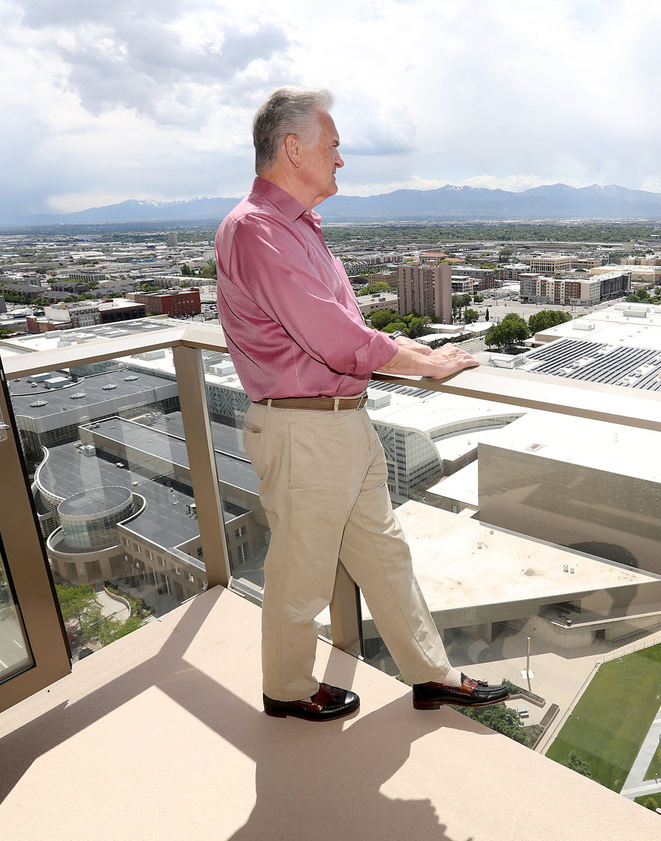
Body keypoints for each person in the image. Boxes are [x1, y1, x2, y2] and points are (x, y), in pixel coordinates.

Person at [215, 86, 510, 722]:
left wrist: (406, 353)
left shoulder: (296, 231)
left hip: (341, 425)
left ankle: (431, 674)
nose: (341, 159)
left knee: (384, 554)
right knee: (302, 576)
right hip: (305, 431)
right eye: (334, 146)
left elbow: (343, 329)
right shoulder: (256, 231)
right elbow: (336, 338)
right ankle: (287, 689)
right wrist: (425, 361)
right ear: (293, 149)